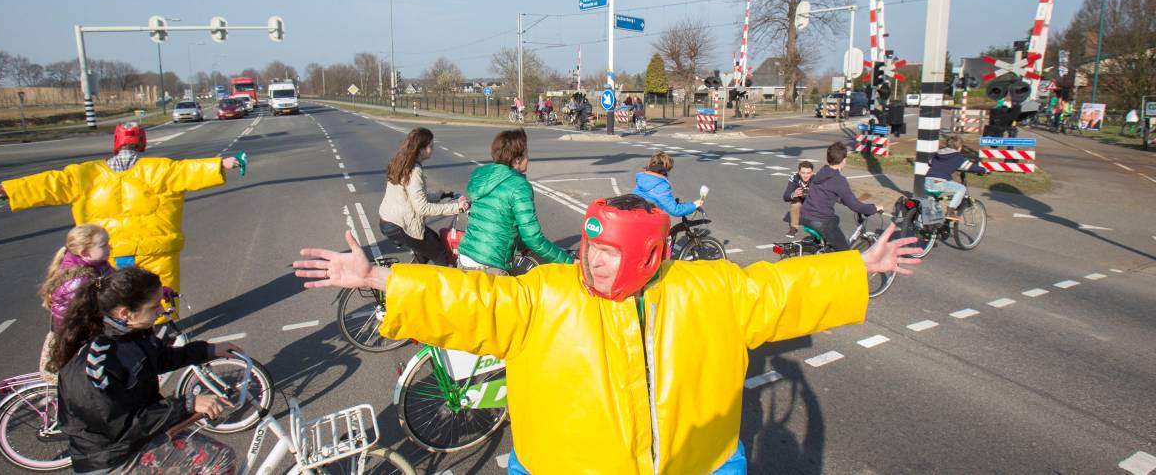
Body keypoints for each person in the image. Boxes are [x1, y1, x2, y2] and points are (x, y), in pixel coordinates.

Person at [294, 195, 921, 474]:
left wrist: (856, 267)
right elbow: (473, 300)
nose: (590, 263)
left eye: (608, 254)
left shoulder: (708, 290)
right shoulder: (545, 295)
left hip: (695, 466)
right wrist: (379, 277)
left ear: (650, 255)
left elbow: (780, 291)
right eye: (589, 249)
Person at [0, 123, 240, 314]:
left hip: (105, 252)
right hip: (155, 250)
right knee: (158, 298)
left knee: (113, 299)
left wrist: (9, 189)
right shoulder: (160, 169)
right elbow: (192, 170)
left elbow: (49, 184)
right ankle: (161, 338)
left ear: (116, 144)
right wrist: (225, 163)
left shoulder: (86, 175)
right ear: (142, 144)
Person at [50, 267, 240, 474]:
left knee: (214, 453)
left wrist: (207, 350)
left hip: (136, 439)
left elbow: (160, 358)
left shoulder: (133, 332)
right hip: (112, 458)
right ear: (125, 313)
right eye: (154, 306)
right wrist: (187, 404)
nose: (161, 310)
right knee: (221, 459)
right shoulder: (96, 364)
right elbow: (120, 425)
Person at [456, 129, 573, 274]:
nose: (528, 158)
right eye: (526, 154)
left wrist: (520, 245)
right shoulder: (519, 186)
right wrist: (569, 261)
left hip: (464, 259)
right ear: (517, 160)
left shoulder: (483, 177)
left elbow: (502, 224)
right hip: (489, 267)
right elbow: (533, 238)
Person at [378, 128, 469, 265]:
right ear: (420, 149)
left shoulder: (402, 163)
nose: (432, 149)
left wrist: (439, 196)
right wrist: (458, 208)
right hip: (400, 225)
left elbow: (413, 195)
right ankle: (442, 286)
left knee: (425, 251)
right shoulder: (414, 171)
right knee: (440, 253)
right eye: (430, 146)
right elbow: (423, 208)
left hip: (389, 220)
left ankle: (408, 283)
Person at [37, 223, 115, 383]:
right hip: (73, 345)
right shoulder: (78, 281)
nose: (110, 247)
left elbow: (120, 285)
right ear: (85, 252)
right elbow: (96, 310)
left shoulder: (100, 266)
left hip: (91, 336)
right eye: (104, 244)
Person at [800, 141, 881, 250]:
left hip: (805, 215)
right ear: (843, 160)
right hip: (820, 220)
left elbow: (825, 191)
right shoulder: (838, 180)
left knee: (835, 219)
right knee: (844, 253)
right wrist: (874, 208)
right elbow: (855, 206)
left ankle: (826, 248)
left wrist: (840, 199)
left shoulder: (822, 172)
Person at [925, 134, 988, 221]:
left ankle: (932, 224)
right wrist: (984, 170)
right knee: (961, 189)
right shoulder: (957, 157)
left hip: (927, 181)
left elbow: (930, 163)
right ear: (959, 147)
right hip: (940, 182)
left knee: (933, 201)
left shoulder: (938, 153)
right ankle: (951, 210)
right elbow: (971, 167)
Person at [633, 151, 701, 218]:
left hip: (637, 216)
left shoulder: (642, 178)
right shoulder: (661, 185)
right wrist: (694, 205)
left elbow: (654, 199)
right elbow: (675, 210)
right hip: (651, 220)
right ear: (665, 169)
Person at [781, 160, 815, 238]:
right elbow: (785, 196)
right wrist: (793, 194)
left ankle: (818, 226)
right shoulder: (794, 178)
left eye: (808, 173)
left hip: (811, 200)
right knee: (795, 204)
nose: (806, 175)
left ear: (812, 173)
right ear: (799, 172)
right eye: (803, 173)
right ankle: (794, 228)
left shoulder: (816, 179)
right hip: (799, 199)